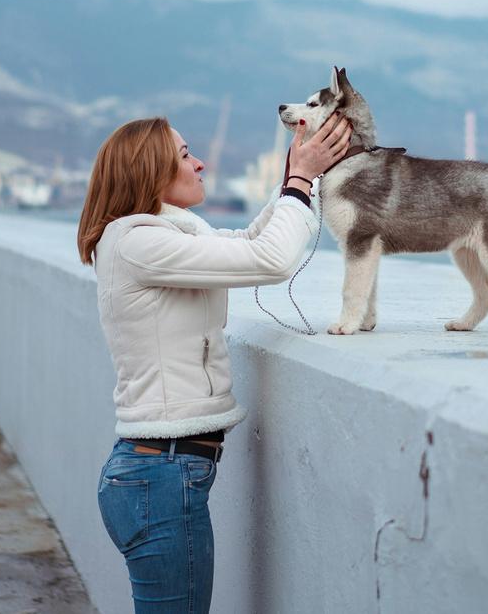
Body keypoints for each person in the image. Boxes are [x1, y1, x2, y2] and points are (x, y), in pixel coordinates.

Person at [77, 113, 352, 613]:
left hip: (161, 473)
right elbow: (270, 260)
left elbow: (248, 242)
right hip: (158, 476)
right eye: (185, 155)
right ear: (150, 172)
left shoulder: (152, 240)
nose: (200, 162)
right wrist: (297, 182)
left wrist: (294, 176)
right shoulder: (139, 242)